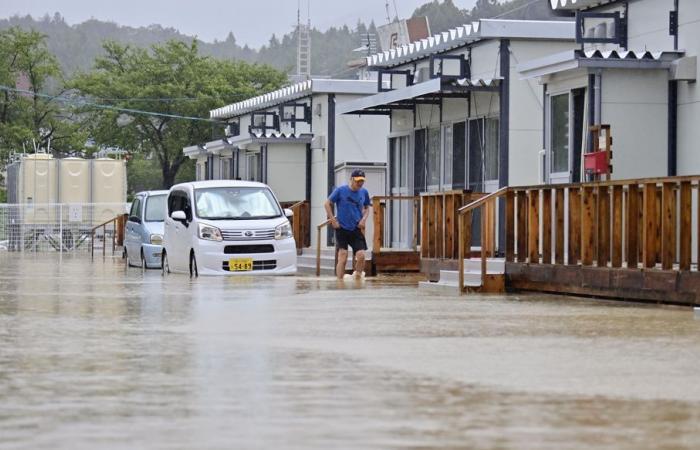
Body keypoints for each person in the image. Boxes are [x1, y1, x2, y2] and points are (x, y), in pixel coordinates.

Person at [324, 169, 371, 280]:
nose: (360, 183)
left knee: (361, 256)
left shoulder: (364, 192)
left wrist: (364, 219)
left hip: (356, 228)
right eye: (358, 181)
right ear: (351, 179)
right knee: (343, 256)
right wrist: (333, 220)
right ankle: (339, 282)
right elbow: (327, 203)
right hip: (342, 228)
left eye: (362, 181)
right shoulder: (340, 190)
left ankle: (358, 278)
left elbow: (367, 207)